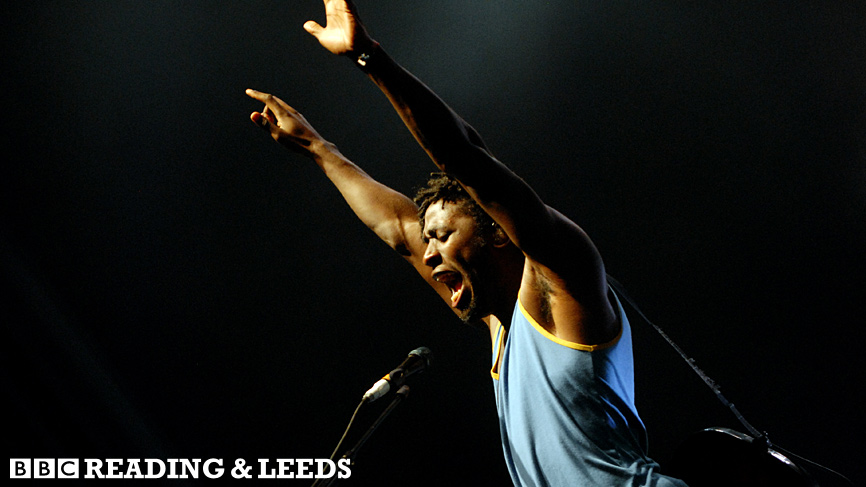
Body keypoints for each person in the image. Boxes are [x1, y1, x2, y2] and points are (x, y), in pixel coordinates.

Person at [246, 1, 688, 486]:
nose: (428, 252)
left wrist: (369, 57)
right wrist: (315, 146)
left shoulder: (564, 284)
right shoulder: (500, 323)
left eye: (442, 235)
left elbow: (464, 156)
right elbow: (396, 228)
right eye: (429, 239)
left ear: (497, 231)